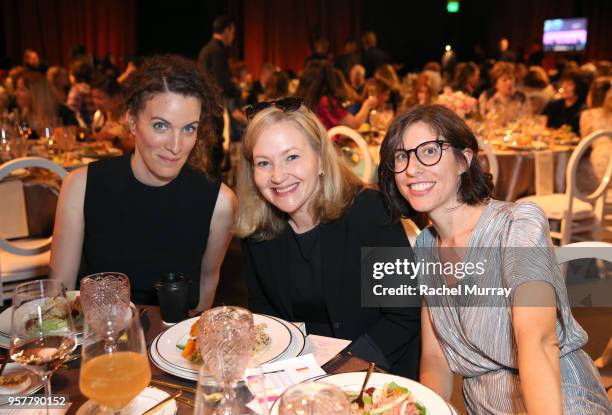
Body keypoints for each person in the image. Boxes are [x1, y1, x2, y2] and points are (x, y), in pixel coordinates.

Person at [378, 104, 611, 413]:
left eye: (430, 151)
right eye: (401, 155)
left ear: (464, 160)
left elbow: (539, 341)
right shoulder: (425, 245)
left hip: (554, 398)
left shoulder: (518, 225)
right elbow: (436, 360)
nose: (412, 168)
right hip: (483, 406)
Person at [236, 99, 420, 377]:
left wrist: (338, 372)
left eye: (292, 157)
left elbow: (404, 315)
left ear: (320, 158)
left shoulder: (370, 212)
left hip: (376, 372)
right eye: (264, 163)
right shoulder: (257, 231)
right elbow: (265, 311)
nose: (277, 175)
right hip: (299, 371)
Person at [50, 55, 236, 310]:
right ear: (131, 120)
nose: (175, 146)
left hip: (173, 343)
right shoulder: (80, 187)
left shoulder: (220, 203)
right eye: (161, 126)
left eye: (189, 129)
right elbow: (57, 295)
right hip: (103, 339)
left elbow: (207, 283)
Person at [303, 61, 376, 130]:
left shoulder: (306, 99)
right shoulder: (325, 101)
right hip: (329, 142)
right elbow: (354, 124)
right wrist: (367, 105)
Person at [90, 73, 133, 152]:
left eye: (100, 98)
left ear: (117, 97)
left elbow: (138, 147)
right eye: (93, 97)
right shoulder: (98, 115)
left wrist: (114, 139)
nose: (95, 102)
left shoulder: (130, 116)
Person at [543, 69, 589, 134]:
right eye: (563, 83)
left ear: (579, 87)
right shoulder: (553, 105)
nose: (564, 87)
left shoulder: (583, 110)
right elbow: (544, 126)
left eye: (569, 84)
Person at [66, 56, 95, 128]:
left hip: (84, 133)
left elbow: (69, 114)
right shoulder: (93, 88)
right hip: (96, 131)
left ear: (73, 75)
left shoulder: (76, 90)